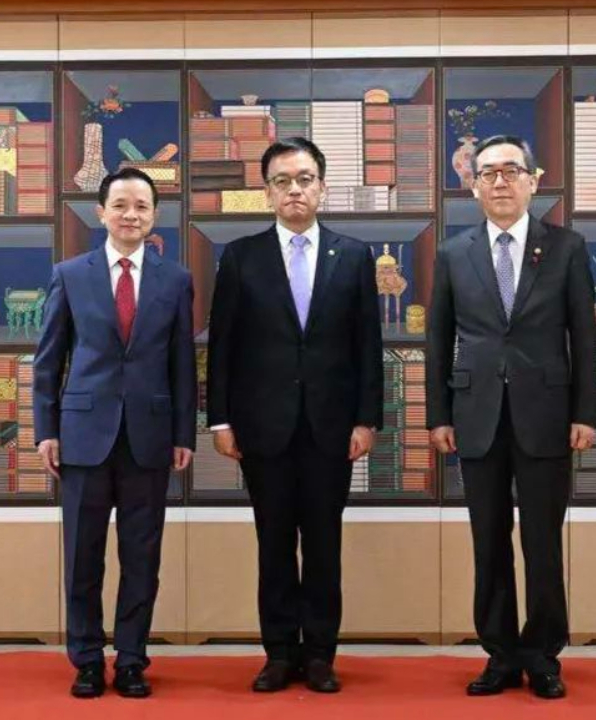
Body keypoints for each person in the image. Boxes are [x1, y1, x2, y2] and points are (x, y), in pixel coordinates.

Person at [426, 134, 596, 700]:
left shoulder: (567, 247)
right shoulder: (454, 252)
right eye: (488, 173)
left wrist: (586, 412)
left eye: (510, 171)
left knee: (543, 542)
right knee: (488, 540)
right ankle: (500, 654)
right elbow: (438, 340)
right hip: (475, 415)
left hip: (547, 414)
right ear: (472, 186)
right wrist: (438, 415)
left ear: (532, 180)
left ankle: (543, 654)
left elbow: (586, 337)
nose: (500, 181)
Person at [206, 137, 383, 694]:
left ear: (322, 187)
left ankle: (322, 655)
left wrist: (366, 419)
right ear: (267, 193)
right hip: (264, 427)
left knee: (325, 542)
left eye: (304, 179)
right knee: (275, 542)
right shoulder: (240, 257)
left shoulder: (353, 255)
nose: (294, 190)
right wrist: (221, 421)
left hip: (333, 427)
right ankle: (280, 653)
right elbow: (223, 346)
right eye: (282, 181)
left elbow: (367, 348)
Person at [33, 167, 196, 699]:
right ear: (100, 212)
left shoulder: (175, 280)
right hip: (82, 435)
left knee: (141, 557)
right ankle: (84, 658)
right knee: (82, 555)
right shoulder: (70, 274)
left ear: (155, 216)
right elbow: (48, 360)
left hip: (149, 437)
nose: (132, 215)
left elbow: (182, 364)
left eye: (143, 207)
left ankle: (130, 659)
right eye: (121, 205)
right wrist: (46, 430)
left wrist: (183, 434)